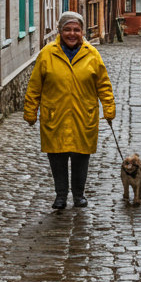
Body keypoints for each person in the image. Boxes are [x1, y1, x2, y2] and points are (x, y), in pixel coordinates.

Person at [24, 12, 116, 209]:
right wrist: (31, 111)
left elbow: (104, 85)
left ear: (82, 32)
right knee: (56, 156)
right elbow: (35, 86)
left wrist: (109, 109)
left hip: (84, 115)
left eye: (76, 30)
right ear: (60, 31)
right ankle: (60, 195)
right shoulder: (47, 54)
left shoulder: (92, 54)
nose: (72, 34)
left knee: (81, 157)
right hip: (55, 115)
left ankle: (78, 195)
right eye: (67, 29)